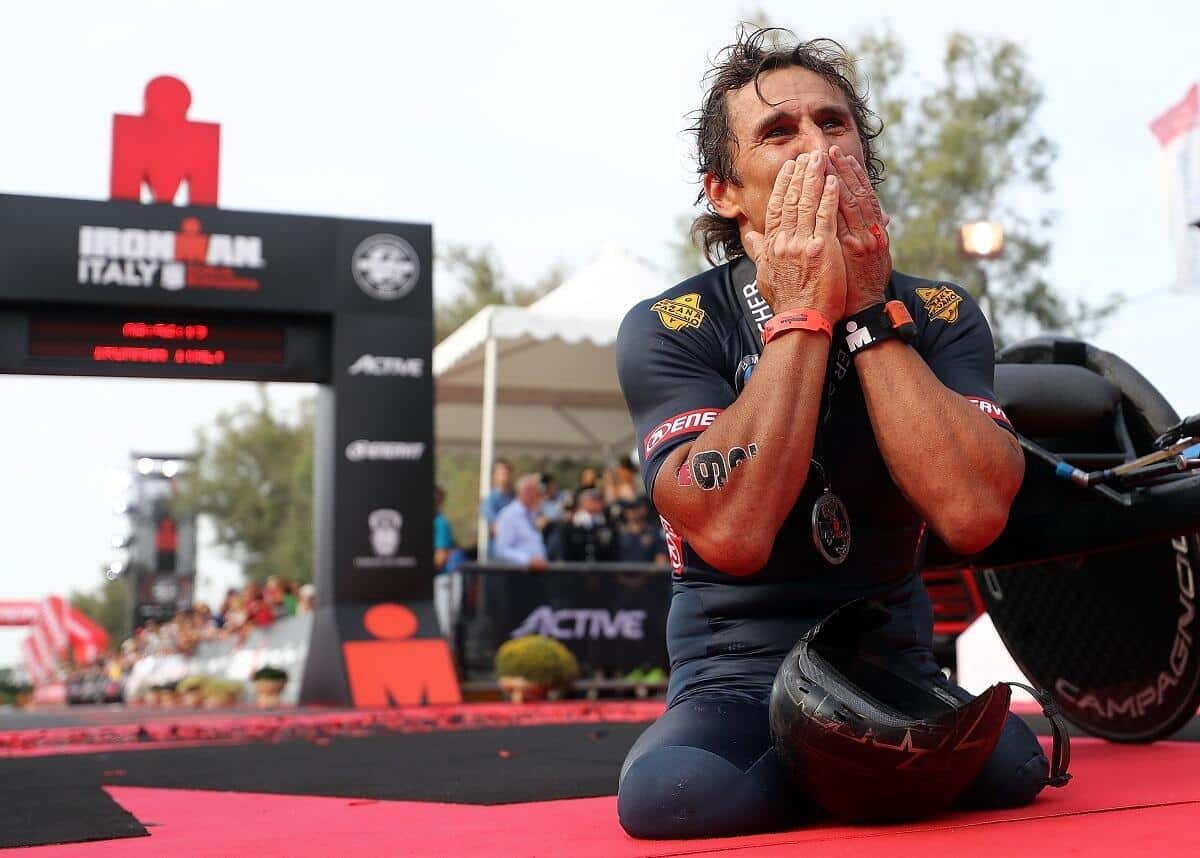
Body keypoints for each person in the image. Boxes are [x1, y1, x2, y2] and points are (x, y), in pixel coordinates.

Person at [613, 29, 1044, 840]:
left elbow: (975, 514)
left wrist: (870, 314)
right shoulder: (671, 325)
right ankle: (858, 772)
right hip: (738, 673)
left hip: (888, 659)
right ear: (724, 191)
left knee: (1014, 767)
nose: (816, 147)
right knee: (676, 795)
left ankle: (841, 768)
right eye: (779, 133)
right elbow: (732, 532)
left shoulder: (941, 311)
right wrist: (804, 313)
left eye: (833, 123)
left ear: (865, 158)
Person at [546, 488, 619, 563]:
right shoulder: (570, 525)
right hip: (575, 568)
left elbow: (614, 552)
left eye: (599, 500)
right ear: (583, 502)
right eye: (593, 500)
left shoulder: (608, 524)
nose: (597, 503)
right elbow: (563, 552)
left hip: (603, 568)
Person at [491, 474, 548, 568]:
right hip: (517, 573)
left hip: (536, 572)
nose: (537, 495)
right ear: (524, 492)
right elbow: (501, 550)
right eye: (535, 491)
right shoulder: (509, 515)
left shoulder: (532, 514)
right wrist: (528, 560)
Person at [616, 497, 669, 565]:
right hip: (621, 571)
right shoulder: (619, 534)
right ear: (625, 512)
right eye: (630, 508)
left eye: (636, 508)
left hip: (648, 571)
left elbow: (660, 559)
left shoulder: (654, 532)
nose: (633, 511)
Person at [479, 460, 515, 555]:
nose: (505, 476)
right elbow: (496, 528)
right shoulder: (490, 500)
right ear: (494, 476)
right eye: (501, 473)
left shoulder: (516, 498)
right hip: (498, 553)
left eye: (507, 472)